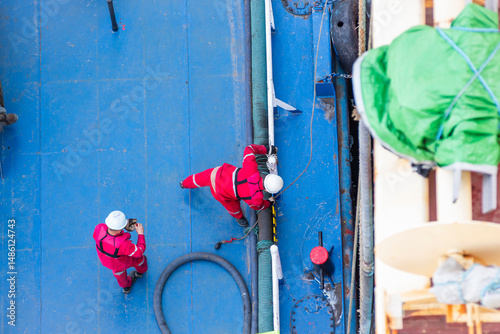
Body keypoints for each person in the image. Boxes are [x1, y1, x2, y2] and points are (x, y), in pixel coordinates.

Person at [180, 144, 284, 227]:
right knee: (233, 208)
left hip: (217, 173)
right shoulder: (255, 198)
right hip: (220, 192)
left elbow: (249, 149)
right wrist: (269, 203)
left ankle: (183, 184)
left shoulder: (251, 168)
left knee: (198, 178)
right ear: (267, 189)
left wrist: (267, 149)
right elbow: (259, 206)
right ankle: (239, 218)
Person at [93, 210, 148, 294]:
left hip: (110, 263)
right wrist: (140, 234)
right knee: (140, 260)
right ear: (119, 229)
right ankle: (140, 272)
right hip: (124, 262)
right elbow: (139, 251)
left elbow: (108, 235)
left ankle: (126, 288)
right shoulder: (123, 244)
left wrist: (122, 226)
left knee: (120, 276)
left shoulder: (98, 228)